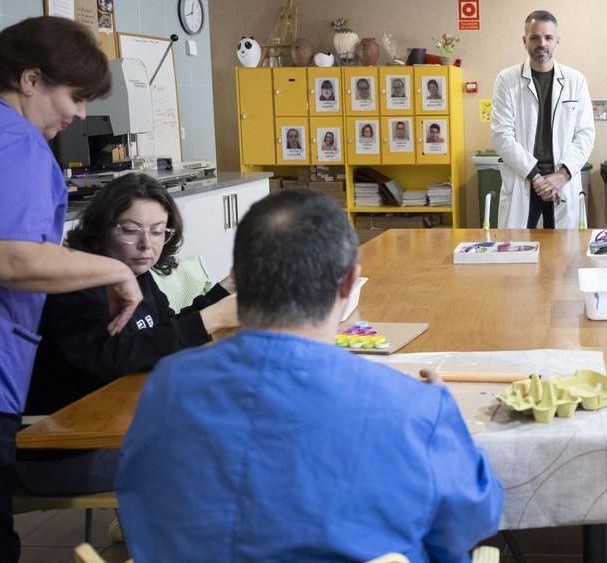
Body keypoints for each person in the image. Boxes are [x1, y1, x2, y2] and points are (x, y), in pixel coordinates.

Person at [116, 190, 502, 561]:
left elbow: (140, 511)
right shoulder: (415, 407)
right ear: (348, 283)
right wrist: (449, 425)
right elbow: (473, 521)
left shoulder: (167, 386)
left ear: (238, 278)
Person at [0, 17, 142, 562]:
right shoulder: (12, 137)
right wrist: (116, 272)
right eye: (75, 96)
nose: (80, 114)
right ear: (30, 80)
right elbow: (12, 257)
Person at [19, 174, 237, 495]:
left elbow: (164, 333)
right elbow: (112, 358)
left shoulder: (137, 274)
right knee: (214, 454)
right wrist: (210, 318)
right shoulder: (77, 285)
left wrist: (226, 288)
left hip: (119, 429)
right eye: (131, 229)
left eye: (158, 231)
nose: (147, 244)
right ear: (102, 229)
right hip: (63, 450)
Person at [491, 10, 595, 229]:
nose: (542, 43)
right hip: (524, 180)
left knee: (563, 249)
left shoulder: (576, 81)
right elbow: (502, 136)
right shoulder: (507, 80)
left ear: (557, 40)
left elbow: (585, 136)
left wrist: (562, 175)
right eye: (535, 37)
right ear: (524, 40)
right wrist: (536, 177)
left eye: (548, 37)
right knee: (518, 248)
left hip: (562, 183)